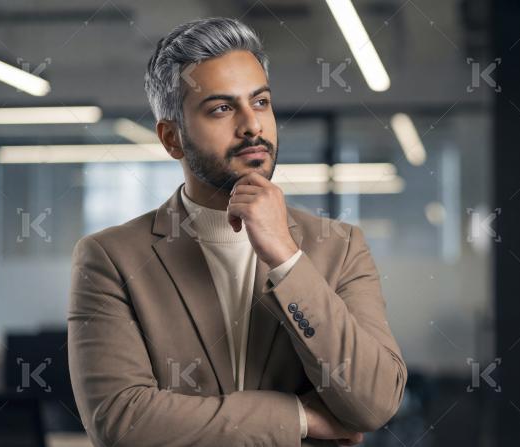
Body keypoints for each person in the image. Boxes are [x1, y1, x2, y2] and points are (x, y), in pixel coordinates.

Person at [67, 16, 407, 447]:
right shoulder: (110, 258)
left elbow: (374, 404)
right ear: (172, 139)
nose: (252, 125)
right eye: (222, 109)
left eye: (261, 102)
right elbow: (121, 421)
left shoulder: (340, 248)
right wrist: (297, 418)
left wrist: (286, 258)